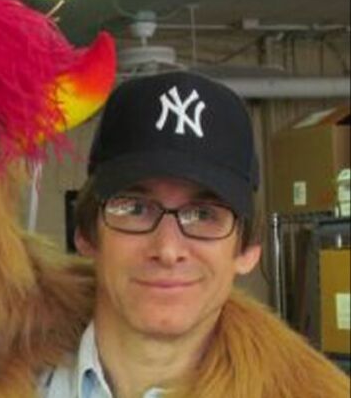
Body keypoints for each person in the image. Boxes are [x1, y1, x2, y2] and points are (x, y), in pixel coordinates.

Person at [40, 71, 350, 398]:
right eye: (134, 208)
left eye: (204, 215)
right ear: (86, 234)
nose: (169, 249)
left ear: (248, 249)